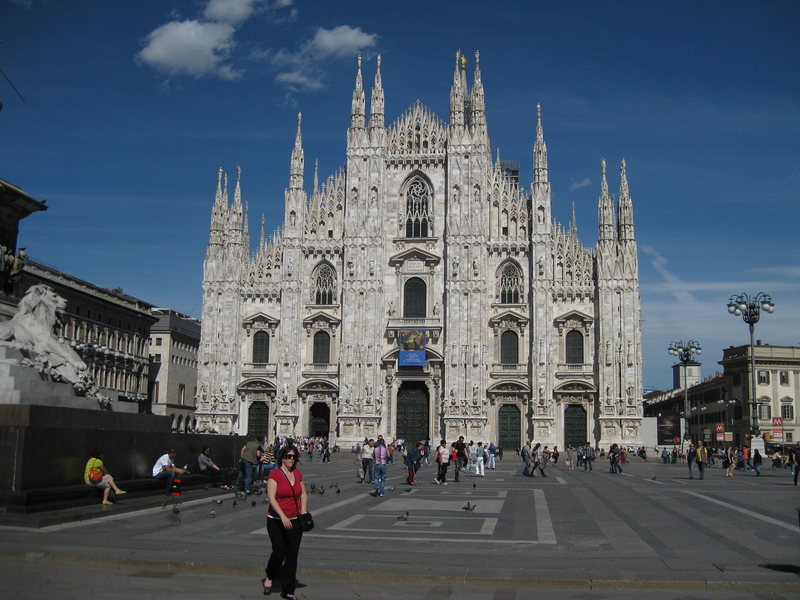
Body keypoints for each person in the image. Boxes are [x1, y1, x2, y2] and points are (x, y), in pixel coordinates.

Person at [264, 446, 308, 600]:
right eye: (289, 456)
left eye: (294, 456)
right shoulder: (274, 474)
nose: (292, 459)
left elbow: (303, 492)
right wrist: (282, 516)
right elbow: (271, 497)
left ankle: (288, 590)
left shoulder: (297, 473)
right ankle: (270, 575)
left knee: (292, 556)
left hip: (295, 520)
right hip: (276, 520)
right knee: (279, 552)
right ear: (282, 458)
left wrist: (303, 509)